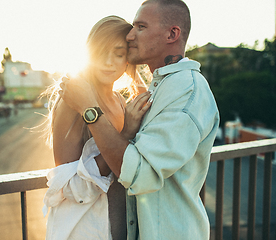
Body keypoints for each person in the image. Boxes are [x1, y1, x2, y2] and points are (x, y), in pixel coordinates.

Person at [58, 0, 220, 239]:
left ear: (172, 34)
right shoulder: (161, 87)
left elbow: (139, 174)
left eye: (141, 27)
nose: (131, 35)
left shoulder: (186, 92)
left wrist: (89, 108)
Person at [41, 15, 148, 240]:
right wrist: (126, 133)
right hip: (85, 230)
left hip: (120, 228)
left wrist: (134, 72)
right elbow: (71, 188)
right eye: (100, 52)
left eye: (118, 54)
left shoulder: (120, 100)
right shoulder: (74, 103)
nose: (108, 62)